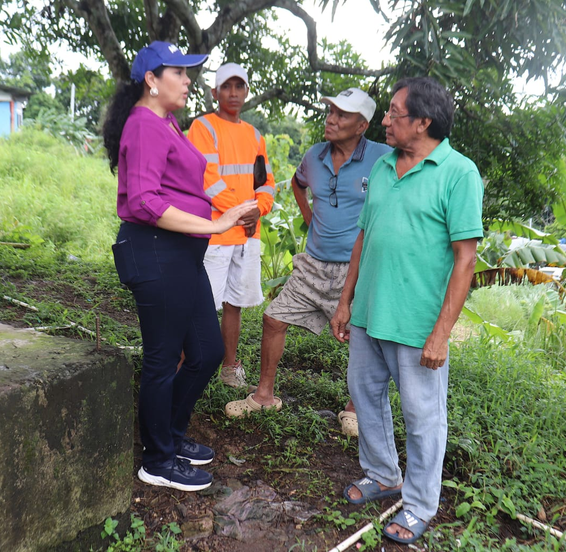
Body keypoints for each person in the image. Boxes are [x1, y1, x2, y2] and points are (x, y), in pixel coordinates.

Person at [330, 77, 483, 544]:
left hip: (417, 323)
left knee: (423, 418)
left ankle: (419, 503)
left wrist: (442, 333)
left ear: (424, 122)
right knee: (365, 394)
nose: (386, 120)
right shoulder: (381, 167)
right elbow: (364, 236)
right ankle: (382, 473)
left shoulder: (459, 173)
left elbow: (465, 259)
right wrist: (345, 300)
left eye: (396, 113)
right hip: (369, 313)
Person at [102, 41, 258, 492]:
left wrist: (233, 206)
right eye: (180, 73)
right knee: (162, 358)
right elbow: (147, 201)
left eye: (189, 73)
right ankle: (157, 459)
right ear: (152, 80)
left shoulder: (168, 123)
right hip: (155, 250)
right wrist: (218, 221)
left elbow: (187, 183)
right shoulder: (145, 125)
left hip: (179, 253)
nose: (189, 81)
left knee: (208, 351)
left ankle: (169, 433)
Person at [224, 88, 391, 438]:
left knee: (362, 338)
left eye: (342, 115)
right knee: (273, 318)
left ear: (362, 125)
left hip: (358, 269)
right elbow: (299, 184)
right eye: (330, 111)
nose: (331, 119)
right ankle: (264, 395)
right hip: (313, 263)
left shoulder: (383, 157)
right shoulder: (314, 156)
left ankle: (354, 407)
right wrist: (309, 216)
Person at [187, 63, 275, 388]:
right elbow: (207, 181)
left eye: (240, 87)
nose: (233, 93)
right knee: (202, 305)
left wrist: (259, 210)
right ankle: (190, 367)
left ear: (247, 92)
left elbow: (265, 182)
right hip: (215, 234)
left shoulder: (255, 135)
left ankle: (228, 369)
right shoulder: (203, 127)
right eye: (227, 87)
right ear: (215, 93)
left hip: (246, 235)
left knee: (233, 303)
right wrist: (242, 214)